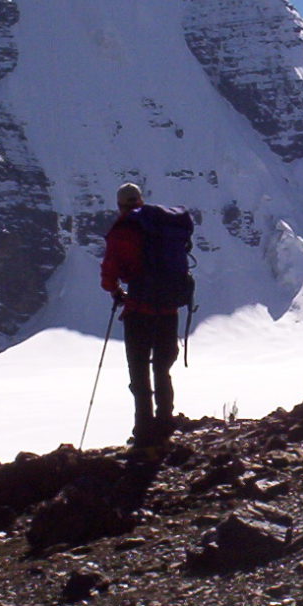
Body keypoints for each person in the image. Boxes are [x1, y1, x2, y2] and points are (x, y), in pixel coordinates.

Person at [100, 182, 190, 452]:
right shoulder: (164, 225)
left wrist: (117, 292)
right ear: (140, 200)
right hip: (168, 309)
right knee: (162, 368)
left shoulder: (123, 230)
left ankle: (143, 429)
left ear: (120, 205)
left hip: (139, 309)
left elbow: (108, 274)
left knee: (139, 372)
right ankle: (165, 422)